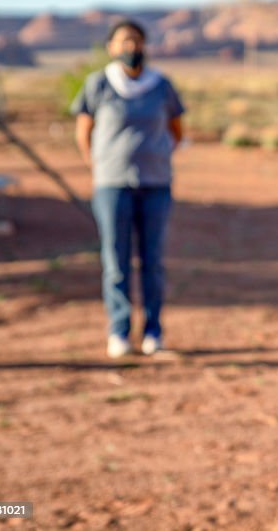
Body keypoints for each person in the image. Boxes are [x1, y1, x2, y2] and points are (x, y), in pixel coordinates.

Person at [71, 20, 185, 358]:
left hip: (155, 184)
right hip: (111, 184)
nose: (130, 47)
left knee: (152, 260)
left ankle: (153, 332)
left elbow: (176, 130)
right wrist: (101, 166)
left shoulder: (161, 85)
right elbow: (84, 132)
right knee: (116, 260)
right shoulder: (99, 84)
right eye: (123, 41)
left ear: (145, 45)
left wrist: (157, 157)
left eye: (136, 40)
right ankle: (119, 332)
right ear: (111, 47)